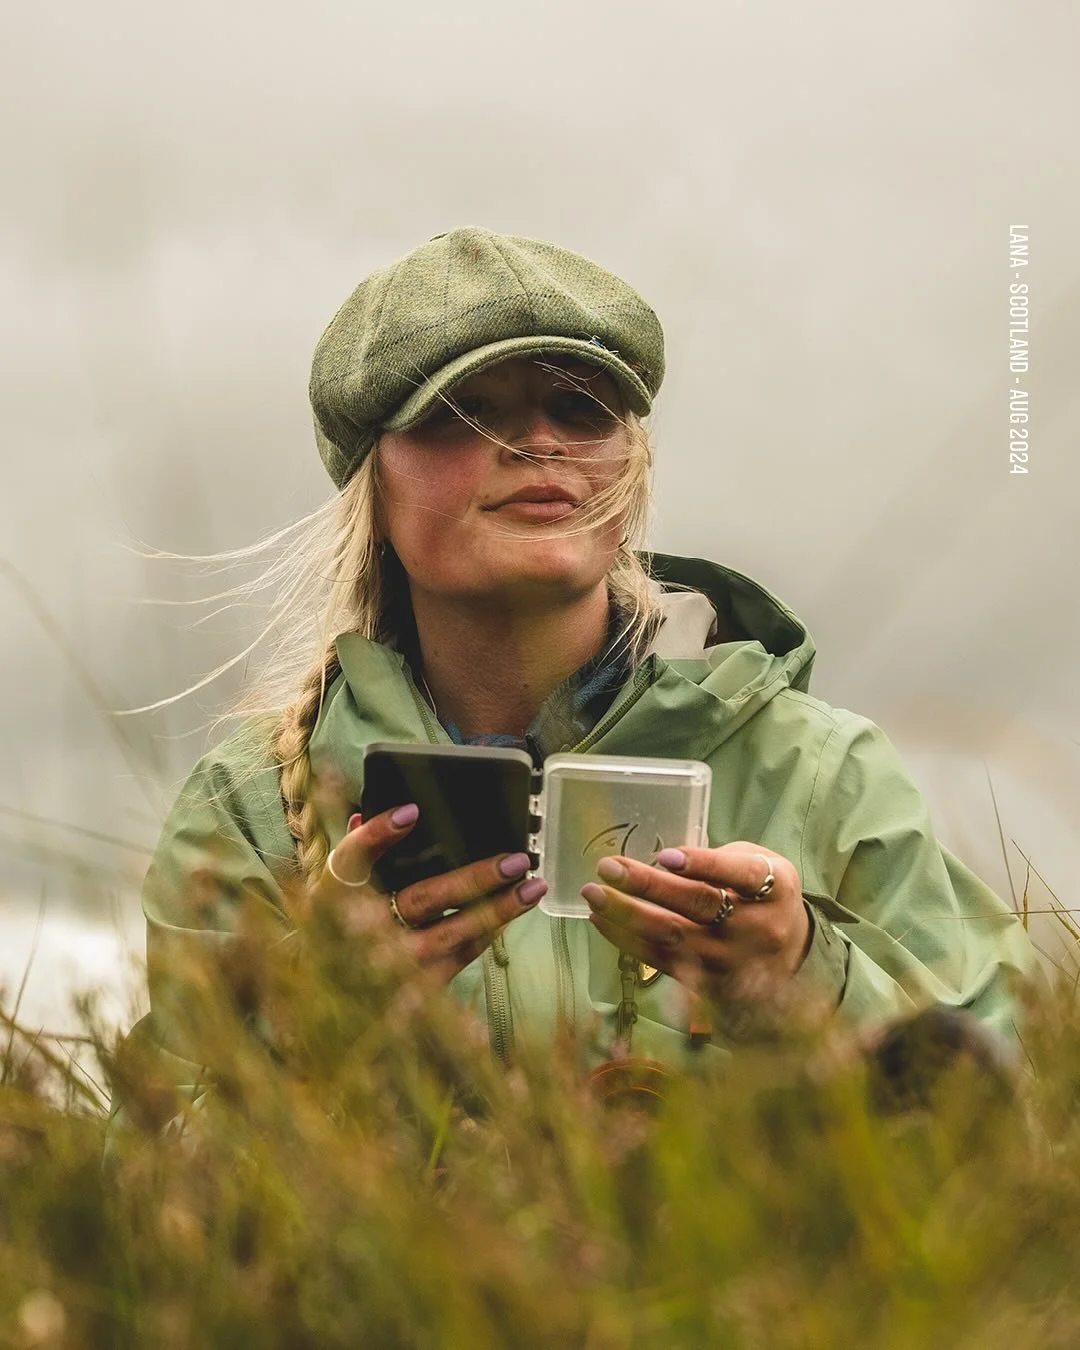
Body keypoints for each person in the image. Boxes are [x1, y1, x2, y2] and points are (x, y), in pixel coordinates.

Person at [113, 226, 1038, 1128]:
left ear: (629, 466)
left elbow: (1022, 1107)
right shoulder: (252, 806)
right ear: (372, 485)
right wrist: (314, 1023)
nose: (539, 442)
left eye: (582, 406)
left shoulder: (825, 772)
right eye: (463, 410)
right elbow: (151, 1195)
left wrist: (803, 969)